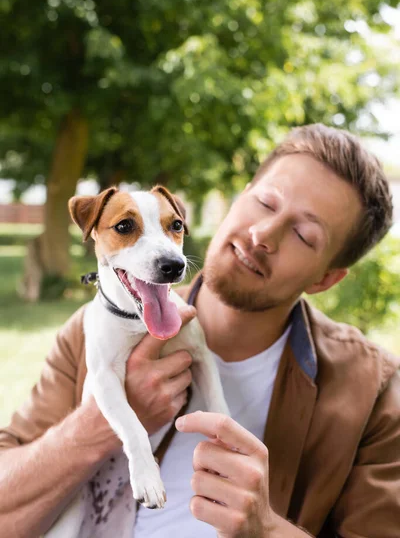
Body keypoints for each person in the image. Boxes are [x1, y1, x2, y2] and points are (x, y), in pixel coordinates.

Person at [0, 123, 399, 538]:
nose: (262, 235)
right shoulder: (88, 331)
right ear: (240, 197)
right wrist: (98, 425)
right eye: (264, 203)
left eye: (303, 234)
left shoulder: (375, 394)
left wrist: (265, 529)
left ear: (325, 280)